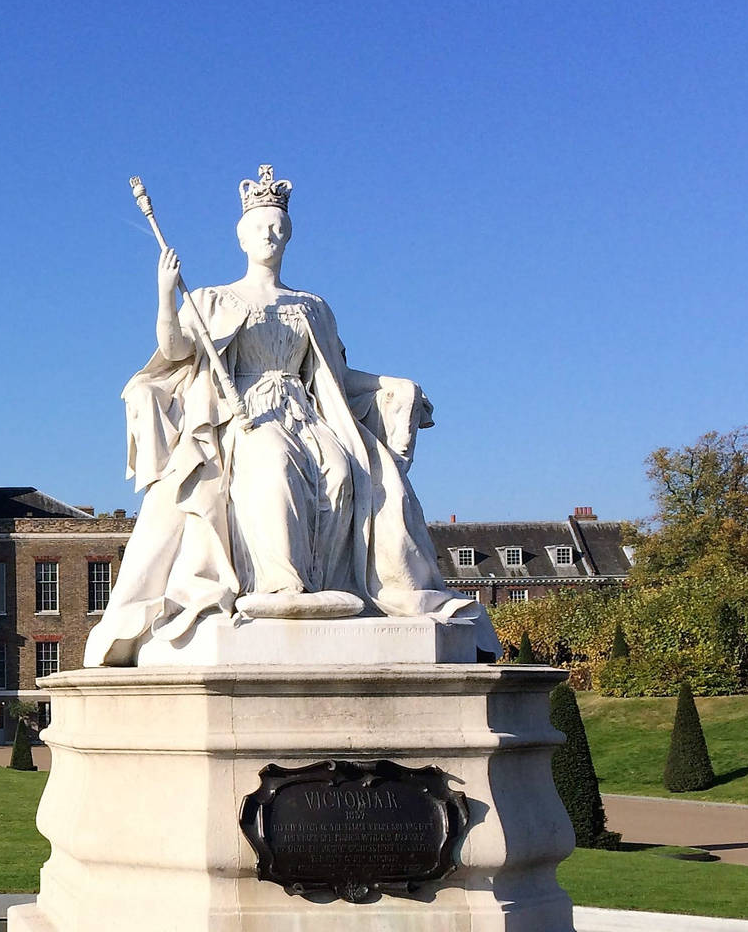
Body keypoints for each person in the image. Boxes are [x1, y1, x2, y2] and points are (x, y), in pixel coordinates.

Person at [84, 165, 499, 667]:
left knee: (345, 472)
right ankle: (281, 586)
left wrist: (392, 386)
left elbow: (338, 379)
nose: (271, 234)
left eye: (279, 227)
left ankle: (330, 585)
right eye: (261, 226)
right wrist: (165, 294)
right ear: (242, 236)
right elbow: (174, 349)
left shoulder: (312, 306)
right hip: (243, 417)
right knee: (272, 465)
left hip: (304, 410)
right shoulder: (213, 298)